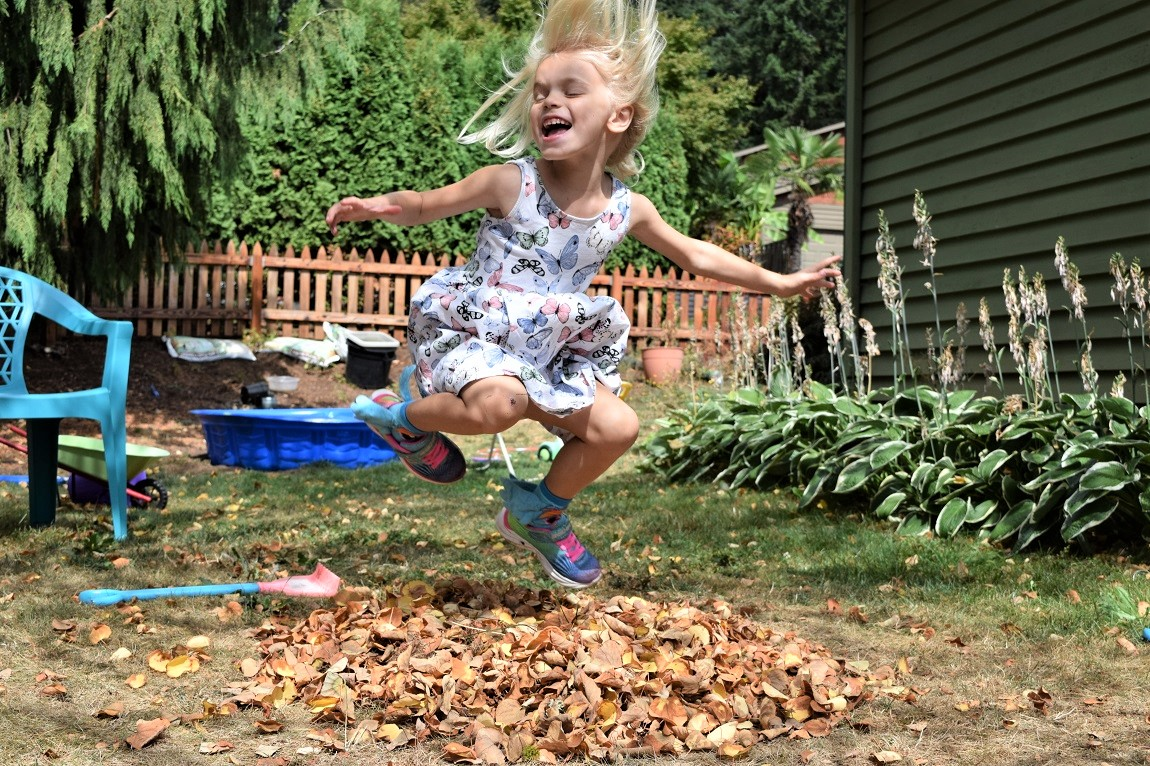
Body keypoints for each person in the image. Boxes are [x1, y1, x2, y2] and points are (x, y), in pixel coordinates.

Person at [325, 0, 842, 589]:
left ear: (617, 116)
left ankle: (537, 511)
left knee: (617, 428)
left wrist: (780, 282)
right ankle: (406, 422)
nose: (550, 101)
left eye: (571, 91)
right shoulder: (511, 182)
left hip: (544, 349)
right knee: (500, 406)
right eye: (542, 92)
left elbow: (696, 254)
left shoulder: (627, 209)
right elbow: (425, 204)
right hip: (477, 330)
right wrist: (379, 207)